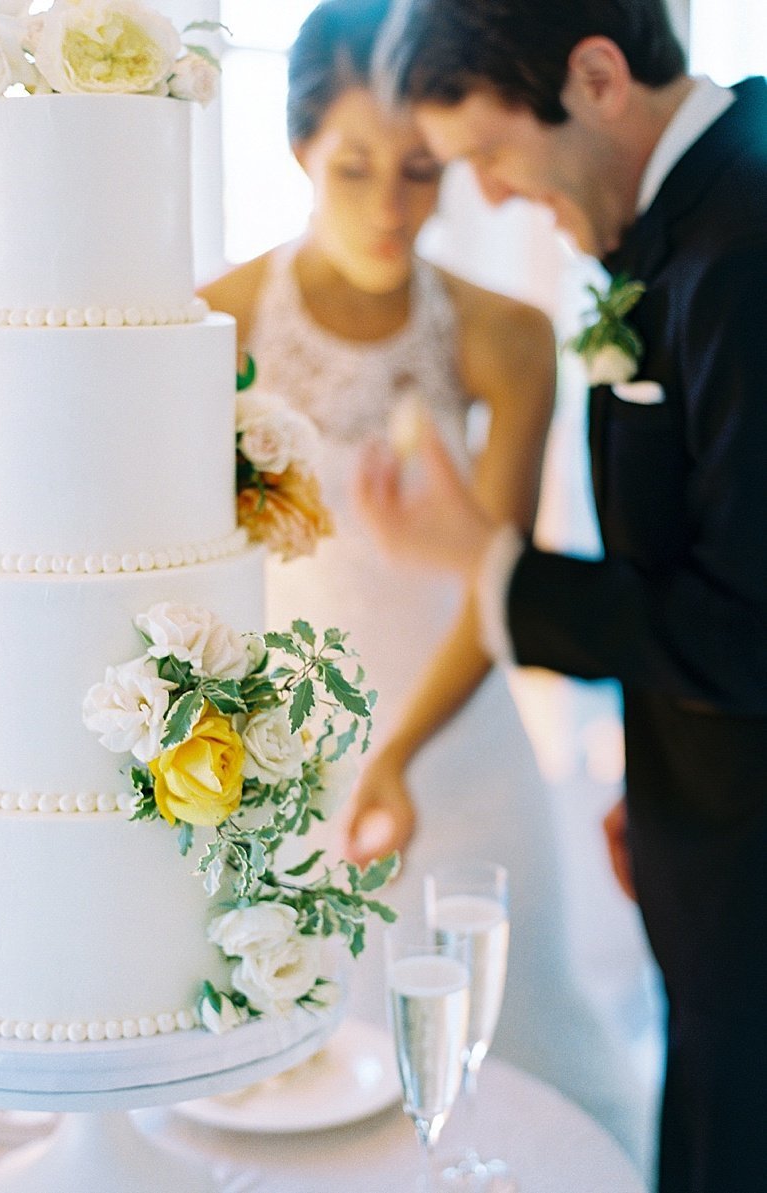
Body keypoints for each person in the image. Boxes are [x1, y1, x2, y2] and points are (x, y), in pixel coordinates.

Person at [201, 0, 654, 1164]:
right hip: (289, 757)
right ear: (301, 149)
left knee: (507, 1062)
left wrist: (399, 751)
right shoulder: (216, 321)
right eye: (353, 168)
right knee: (302, 1079)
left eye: (417, 171)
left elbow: (493, 583)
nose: (388, 207)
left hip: (458, 743)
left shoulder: (503, 331)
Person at [356, 3, 767, 1191]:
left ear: (595, 77)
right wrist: (662, 787)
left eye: (488, 154)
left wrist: (488, 563)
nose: (482, 195)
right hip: (711, 832)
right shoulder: (689, 219)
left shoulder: (743, 249)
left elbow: (749, 631)